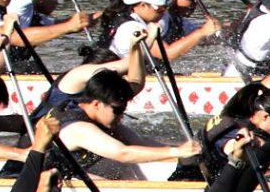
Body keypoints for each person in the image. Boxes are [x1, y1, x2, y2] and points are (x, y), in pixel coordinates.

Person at [55, 68, 200, 179]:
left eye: (123, 111)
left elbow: (138, 142)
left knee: (122, 169)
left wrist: (189, 151)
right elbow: (122, 153)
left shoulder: (100, 117)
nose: (120, 117)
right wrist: (177, 152)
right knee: (113, 172)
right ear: (96, 104)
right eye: (117, 111)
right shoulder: (79, 129)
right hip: (46, 183)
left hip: (71, 175)